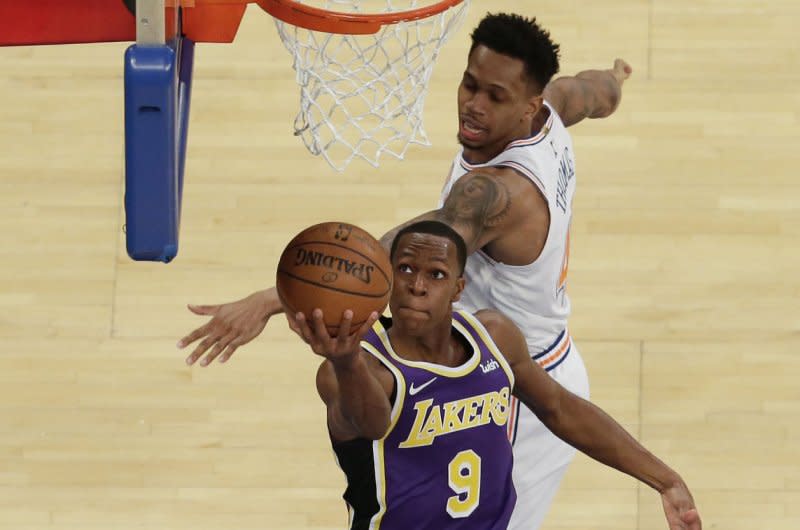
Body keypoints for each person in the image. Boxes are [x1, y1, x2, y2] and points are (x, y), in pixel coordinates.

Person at [178, 12, 634, 530]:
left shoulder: (495, 193)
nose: (473, 105)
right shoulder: (551, 108)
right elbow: (596, 93)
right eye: (469, 85)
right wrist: (616, 77)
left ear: (527, 106)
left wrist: (269, 298)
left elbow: (403, 254)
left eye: (494, 97)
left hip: (515, 388)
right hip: (508, 358)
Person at [289, 220, 700, 530]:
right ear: (386, 280)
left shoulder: (494, 338)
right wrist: (345, 362)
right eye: (406, 269)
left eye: (436, 274)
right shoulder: (357, 369)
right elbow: (373, 424)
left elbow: (561, 409)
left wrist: (664, 480)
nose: (417, 285)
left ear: (458, 288)